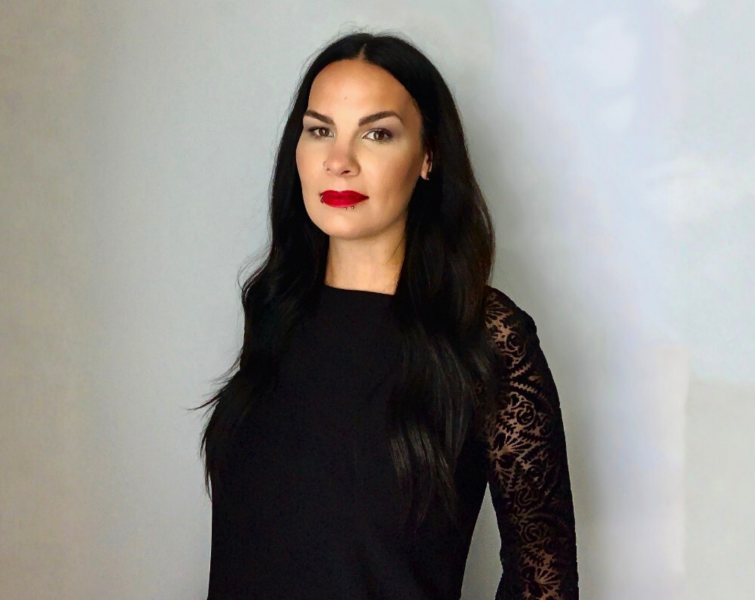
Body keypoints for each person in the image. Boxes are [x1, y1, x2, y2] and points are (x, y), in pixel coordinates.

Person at [196, 30, 579, 600]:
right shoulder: (275, 308)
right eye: (319, 130)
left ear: (428, 156)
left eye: (377, 134)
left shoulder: (483, 334)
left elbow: (543, 573)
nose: (340, 161)